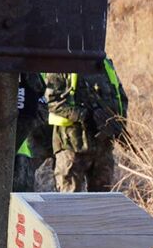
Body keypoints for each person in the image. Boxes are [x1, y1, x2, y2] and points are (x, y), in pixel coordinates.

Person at [42, 58, 129, 193]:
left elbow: (120, 97)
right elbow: (52, 102)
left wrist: (117, 124)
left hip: (103, 147)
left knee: (101, 204)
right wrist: (85, 115)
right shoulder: (62, 62)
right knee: (69, 202)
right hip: (71, 146)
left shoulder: (104, 63)